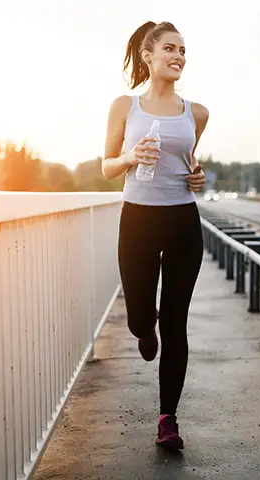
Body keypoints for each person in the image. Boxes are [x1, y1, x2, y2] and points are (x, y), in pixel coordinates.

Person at [101, 20, 209, 450]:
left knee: (177, 323)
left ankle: (168, 419)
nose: (178, 56)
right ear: (148, 56)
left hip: (183, 222)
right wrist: (130, 155)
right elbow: (107, 166)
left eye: (183, 50)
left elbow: (189, 163)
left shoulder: (196, 113)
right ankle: (146, 327)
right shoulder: (125, 107)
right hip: (138, 221)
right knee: (139, 317)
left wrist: (198, 178)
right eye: (170, 48)